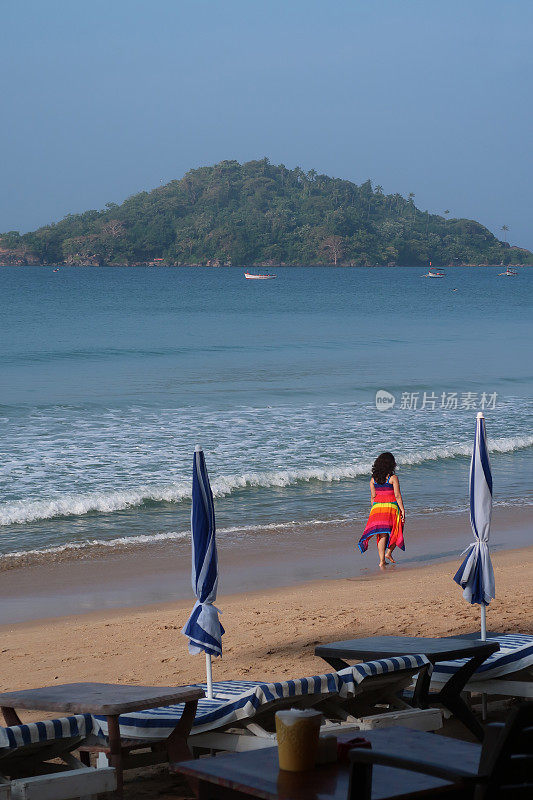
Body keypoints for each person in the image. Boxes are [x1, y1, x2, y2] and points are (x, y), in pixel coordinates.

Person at [358, 452, 405, 568]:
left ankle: (381, 561)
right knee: (397, 529)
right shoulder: (393, 478)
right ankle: (389, 552)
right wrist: (403, 510)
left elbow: (373, 497)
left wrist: (373, 511)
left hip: (376, 509)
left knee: (382, 535)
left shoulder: (373, 479)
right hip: (390, 507)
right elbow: (397, 495)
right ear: (391, 464)